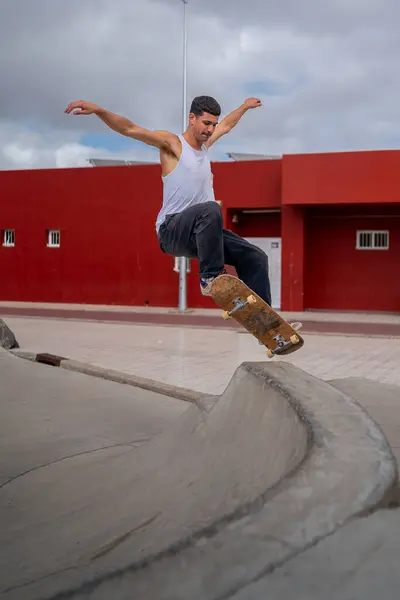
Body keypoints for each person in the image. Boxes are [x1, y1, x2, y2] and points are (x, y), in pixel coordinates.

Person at [65, 95, 272, 304]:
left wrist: (244, 107)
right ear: (192, 118)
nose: (210, 130)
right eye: (206, 123)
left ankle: (267, 325)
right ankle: (210, 278)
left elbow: (227, 124)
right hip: (171, 231)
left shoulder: (206, 145)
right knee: (211, 209)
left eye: (213, 125)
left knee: (256, 257)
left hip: (202, 235)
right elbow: (129, 129)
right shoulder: (172, 144)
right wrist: (100, 111)